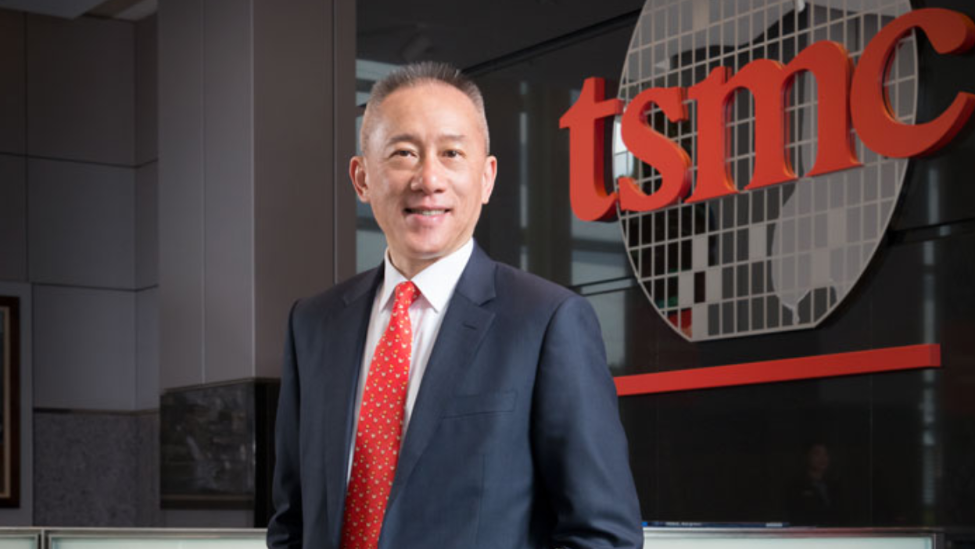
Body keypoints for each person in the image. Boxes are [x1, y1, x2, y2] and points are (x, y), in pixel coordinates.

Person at [266, 61, 643, 549]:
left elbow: (604, 536)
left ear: (486, 178)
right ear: (361, 179)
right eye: (403, 153)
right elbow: (292, 523)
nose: (429, 179)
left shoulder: (547, 321)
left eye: (451, 153)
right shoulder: (314, 324)